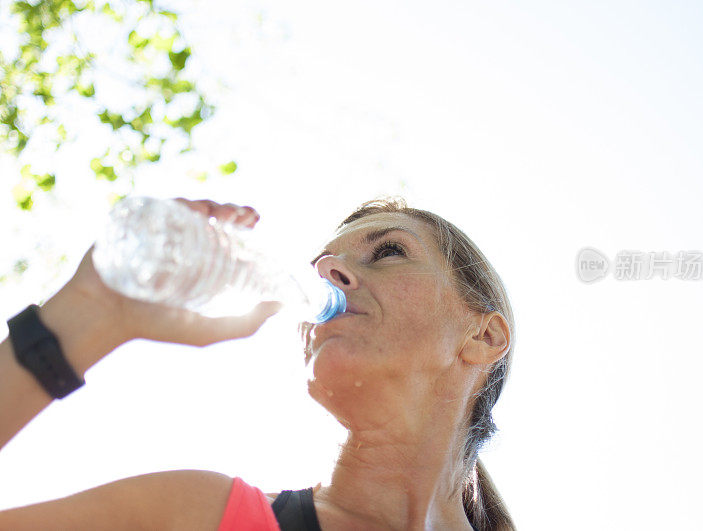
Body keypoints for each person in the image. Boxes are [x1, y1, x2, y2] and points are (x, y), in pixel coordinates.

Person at [0, 196, 516, 530]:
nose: (329, 271)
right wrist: (86, 316)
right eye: (321, 267)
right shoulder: (199, 515)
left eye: (387, 252)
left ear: (484, 336)